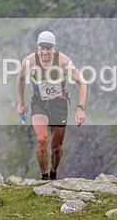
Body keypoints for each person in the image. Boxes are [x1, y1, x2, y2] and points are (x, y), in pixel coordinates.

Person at [16, 31, 86, 180]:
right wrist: (21, 103)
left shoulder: (63, 61)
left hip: (59, 104)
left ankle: (53, 173)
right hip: (39, 102)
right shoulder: (29, 61)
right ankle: (44, 178)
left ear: (54, 47)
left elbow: (82, 82)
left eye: (49, 48)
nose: (45, 52)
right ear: (38, 46)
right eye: (42, 48)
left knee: (56, 148)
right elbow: (20, 79)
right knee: (42, 140)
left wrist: (81, 108)